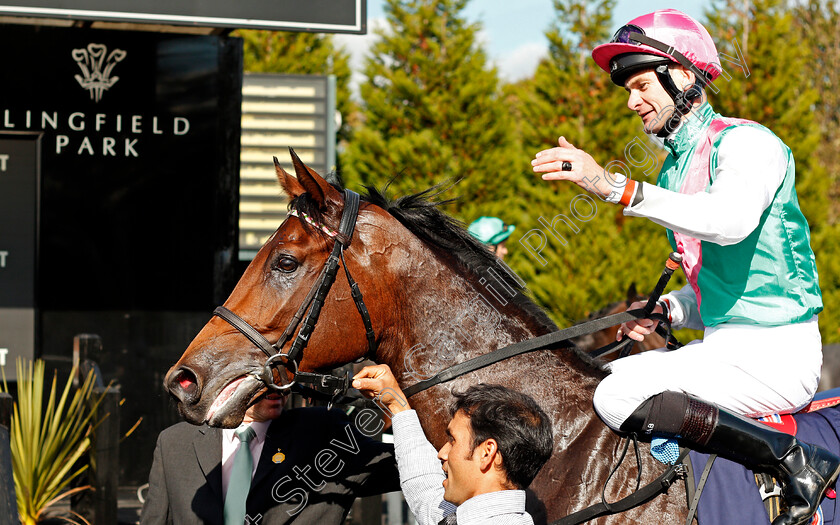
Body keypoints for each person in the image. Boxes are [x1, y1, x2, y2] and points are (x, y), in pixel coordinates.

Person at [530, 8, 839, 525]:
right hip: (726, 347)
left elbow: (731, 221)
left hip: (779, 356)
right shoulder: (676, 167)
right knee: (599, 379)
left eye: (643, 84)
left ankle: (797, 461)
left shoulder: (747, 143)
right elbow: (722, 289)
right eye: (627, 89)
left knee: (617, 391)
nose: (632, 101)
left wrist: (613, 186)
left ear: (686, 76)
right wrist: (669, 310)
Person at [139, 392, 400, 525]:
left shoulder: (320, 434)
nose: (278, 382)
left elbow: (406, 467)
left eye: (284, 370)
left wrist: (400, 403)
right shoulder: (175, 443)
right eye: (263, 369)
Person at [351, 363, 553, 525]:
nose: (442, 453)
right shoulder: (460, 516)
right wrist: (396, 404)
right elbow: (425, 488)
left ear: (487, 453)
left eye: (453, 441)